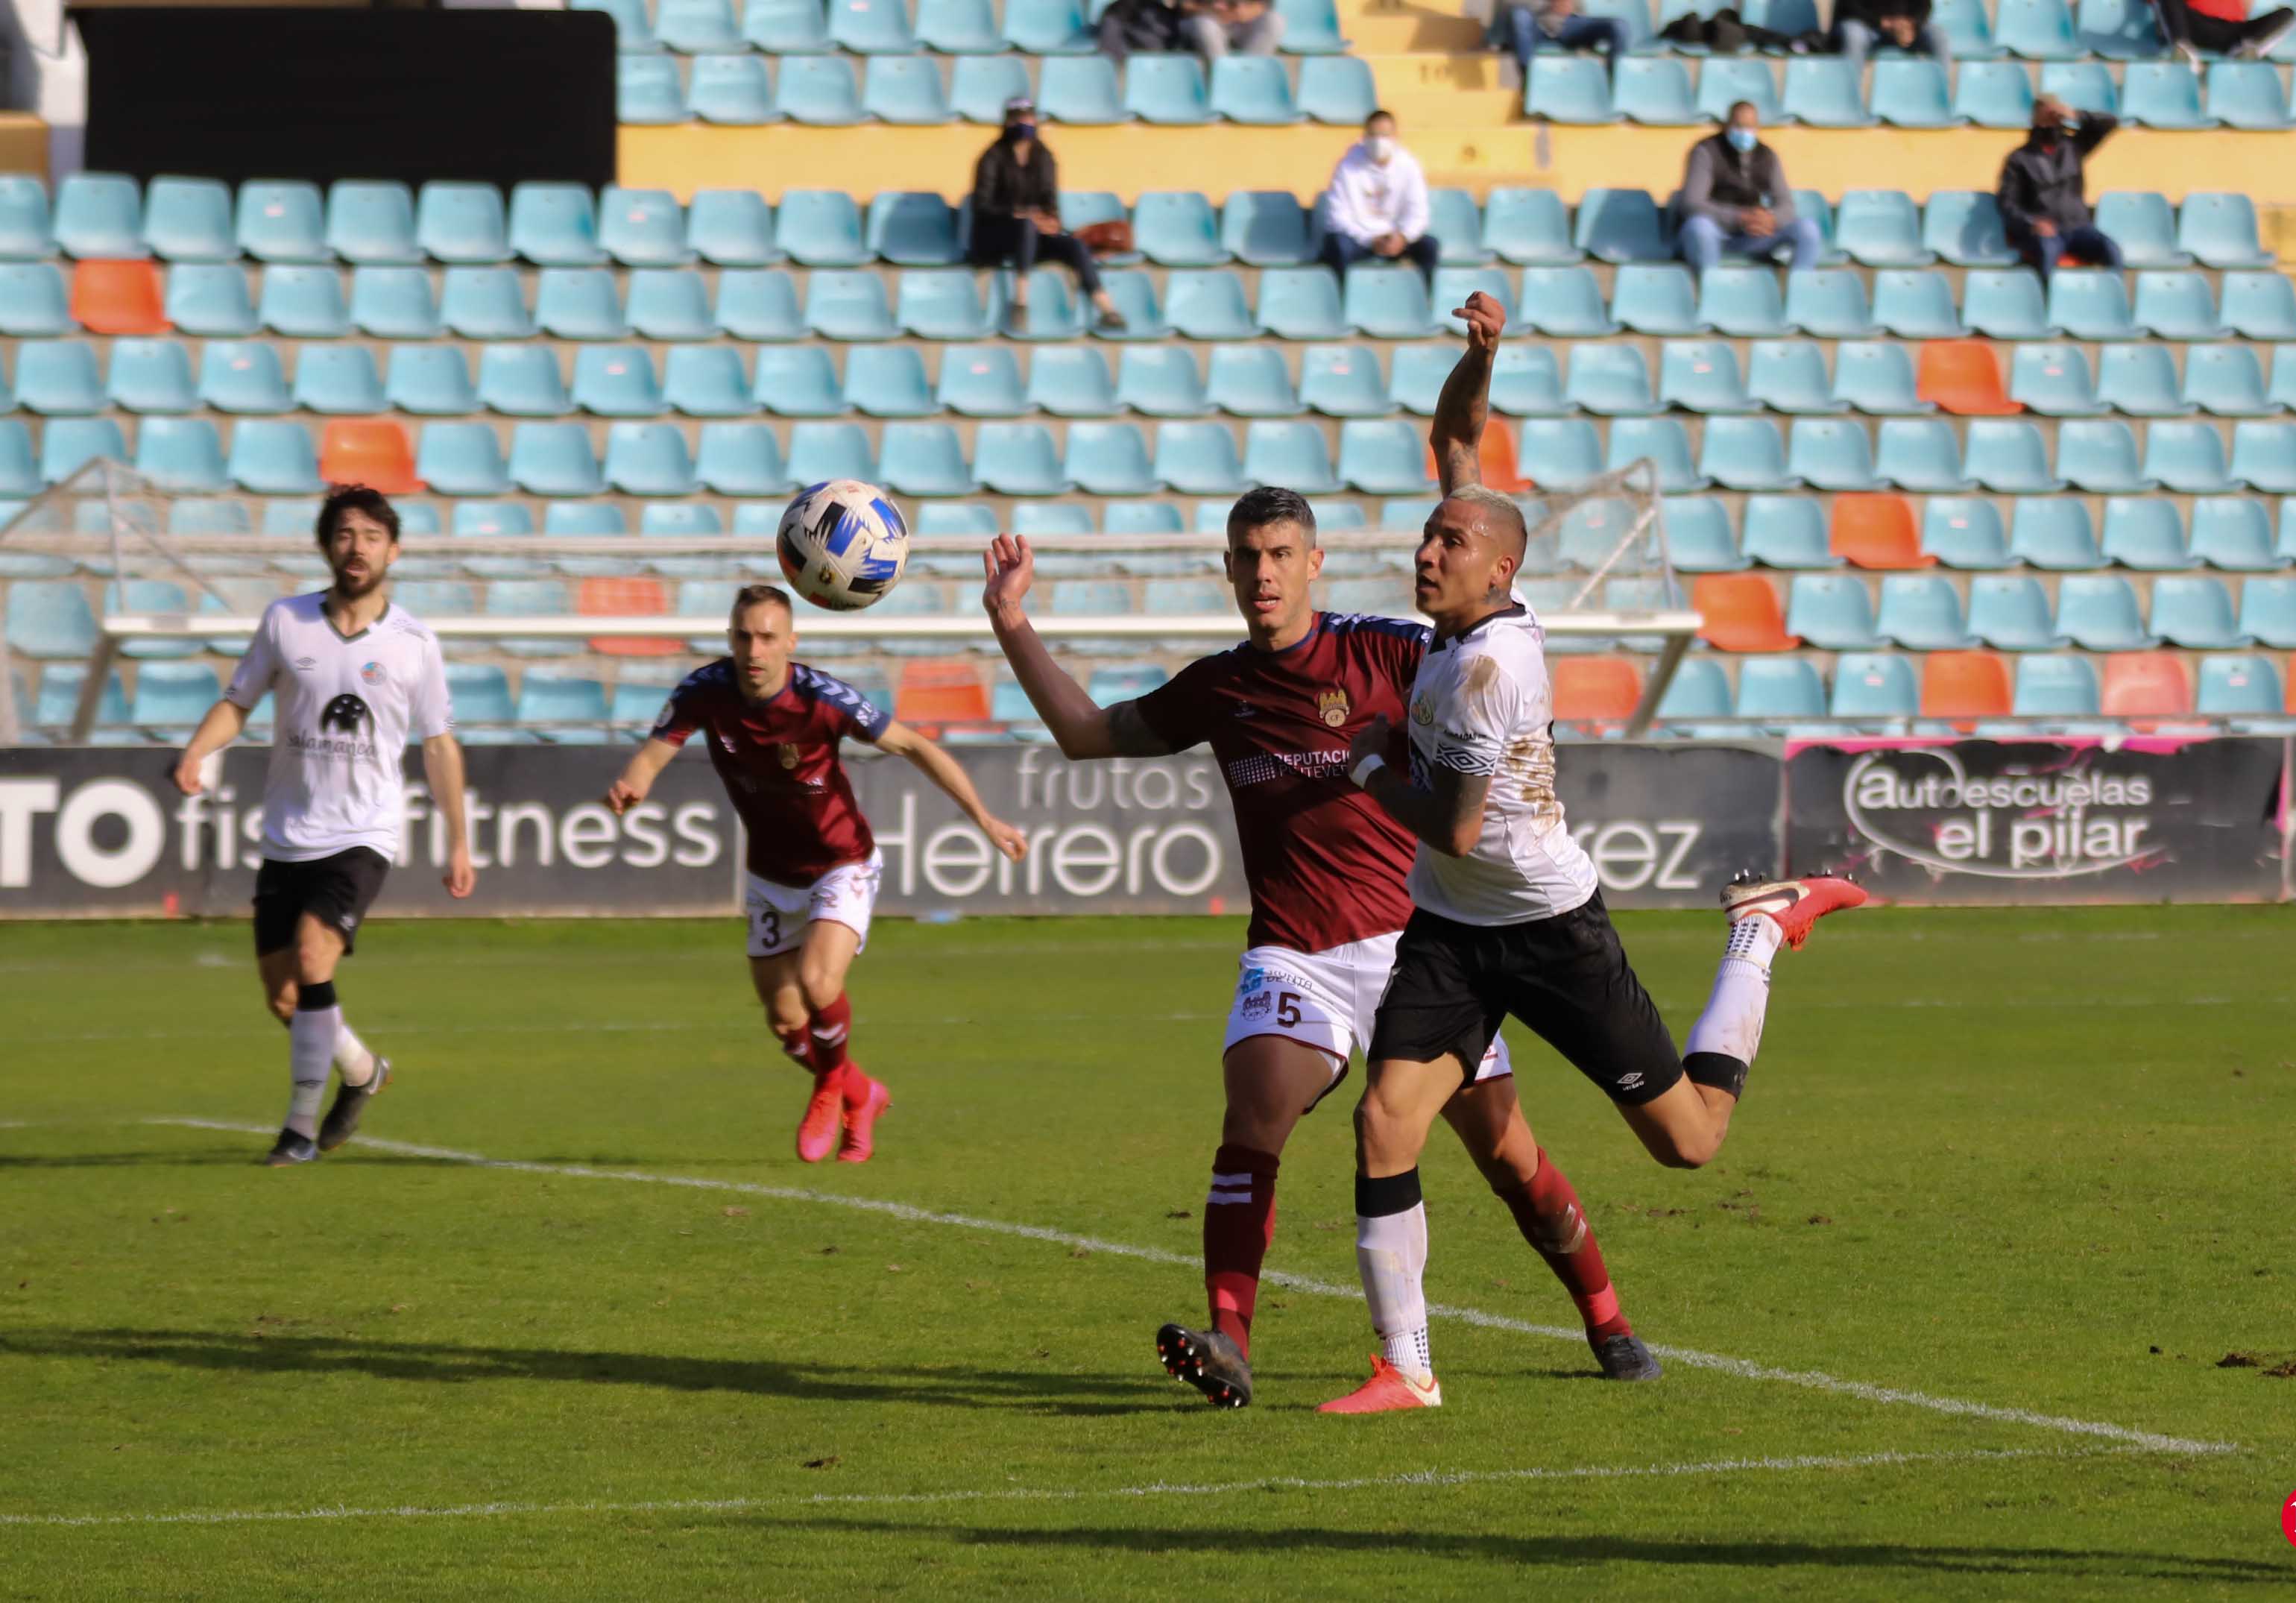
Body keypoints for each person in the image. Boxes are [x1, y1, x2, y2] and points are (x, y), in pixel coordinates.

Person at [983, 482, 1661, 1410]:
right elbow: (1085, 733)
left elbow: (1489, 667)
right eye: (1247, 557)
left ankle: (1607, 1317)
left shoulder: (1388, 649)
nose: (1263, 573)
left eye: (1279, 554)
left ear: (1314, 563)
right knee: (1254, 1113)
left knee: (1508, 1154)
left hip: (1422, 949)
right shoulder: (1219, 687)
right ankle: (1230, 1337)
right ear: (1228, 569)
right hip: (1294, 953)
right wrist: (1012, 619)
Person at [1316, 292, 1866, 1414]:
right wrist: (1482, 357)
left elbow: (1460, 825)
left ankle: (1757, 932)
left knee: (1687, 1143)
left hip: (1547, 927)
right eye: (1428, 535)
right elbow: (1456, 448)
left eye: (1448, 542)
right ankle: (1404, 1366)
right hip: (1451, 930)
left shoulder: (1487, 670)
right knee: (1383, 1119)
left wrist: (1368, 763)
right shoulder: (1462, 614)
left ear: (1500, 570)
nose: (1427, 549)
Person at [604, 586, 1027, 1165]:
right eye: (743, 636)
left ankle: (829, 1089)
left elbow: (912, 745)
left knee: (818, 984)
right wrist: (634, 783)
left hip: (840, 861)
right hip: (771, 875)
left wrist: (983, 816)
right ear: (730, 638)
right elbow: (652, 755)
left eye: (768, 637)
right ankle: (861, 1092)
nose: (754, 650)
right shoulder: (705, 690)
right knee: (784, 1021)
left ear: (791, 642)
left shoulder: (822, 699)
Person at [169, 485, 476, 1168]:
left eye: (371, 535)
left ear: (393, 551)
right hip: (288, 831)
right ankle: (363, 1070)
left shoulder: (414, 643)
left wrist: (459, 840)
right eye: (344, 533)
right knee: (286, 998)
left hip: (363, 833)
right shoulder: (286, 622)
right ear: (325, 545)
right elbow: (237, 702)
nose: (357, 546)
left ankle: (299, 1130)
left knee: (313, 958)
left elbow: (439, 744)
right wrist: (197, 750)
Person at [967, 98, 1126, 333]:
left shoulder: (1044, 157)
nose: (1024, 123)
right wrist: (1019, 215)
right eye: (1017, 118)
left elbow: (1050, 200)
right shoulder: (992, 157)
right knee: (1025, 227)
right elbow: (983, 206)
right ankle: (1020, 301)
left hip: (1033, 236)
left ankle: (1106, 307)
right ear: (1007, 121)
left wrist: (1050, 220)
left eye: (1028, 117)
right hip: (995, 235)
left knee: (1074, 245)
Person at [1676, 102, 1823, 275]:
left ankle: (1800, 290)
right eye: (1738, 126)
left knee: (1808, 229)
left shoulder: (1767, 156)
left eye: (1750, 127)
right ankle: (1710, 288)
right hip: (1716, 232)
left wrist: (1770, 220)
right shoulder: (1706, 151)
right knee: (1700, 227)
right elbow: (1692, 203)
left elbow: (1787, 205)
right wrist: (1739, 217)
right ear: (1726, 125)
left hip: (1753, 235)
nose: (1745, 132)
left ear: (1757, 128)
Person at [1996, 96, 2121, 284]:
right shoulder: (2019, 158)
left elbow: (2110, 122)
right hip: (2046, 232)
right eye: (2046, 114)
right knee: (2047, 252)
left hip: (2078, 227)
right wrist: (2031, 222)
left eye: (2054, 114)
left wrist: (2075, 115)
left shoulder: (2073, 147)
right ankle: (2048, 305)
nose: (2051, 119)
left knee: (2110, 248)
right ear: (2034, 118)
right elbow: (2007, 203)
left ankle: (2113, 300)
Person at [1317, 110, 1440, 286]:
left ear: (1395, 136)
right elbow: (1338, 216)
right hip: (1359, 239)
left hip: (1396, 239)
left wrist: (1403, 237)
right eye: (1374, 135)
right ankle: (1341, 301)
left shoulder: (1409, 165)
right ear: (1365, 136)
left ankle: (1426, 301)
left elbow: (1418, 212)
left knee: (1430, 246)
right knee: (1337, 245)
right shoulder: (1347, 166)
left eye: (1385, 135)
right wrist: (1370, 239)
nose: (1379, 142)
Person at [1492, 0, 1630, 107]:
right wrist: (1548, 3)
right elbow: (1506, 5)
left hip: (1570, 24)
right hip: (1535, 26)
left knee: (1619, 27)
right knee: (1519, 16)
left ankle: (1616, 94)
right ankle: (1531, 87)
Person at [1826, 0, 1951, 78]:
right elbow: (1849, 6)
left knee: (1938, 35)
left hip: (1903, 27)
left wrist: (1912, 25)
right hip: (1866, 26)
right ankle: (1848, 96)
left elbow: (1924, 5)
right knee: (1854, 33)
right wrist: (1885, 23)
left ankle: (1940, 95)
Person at [2154, 0, 2295, 65]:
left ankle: (2246, 51)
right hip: (2192, 26)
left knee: (2287, 14)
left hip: (2232, 31)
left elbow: (2246, 8)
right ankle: (2182, 48)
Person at [1185, 0, 1285, 58]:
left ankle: (1248, 71)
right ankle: (1222, 74)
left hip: (1244, 23)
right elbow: (1185, 6)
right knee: (1205, 26)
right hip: (1207, 19)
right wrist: (1214, 12)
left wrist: (1243, 12)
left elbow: (1263, 5)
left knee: (1274, 21)